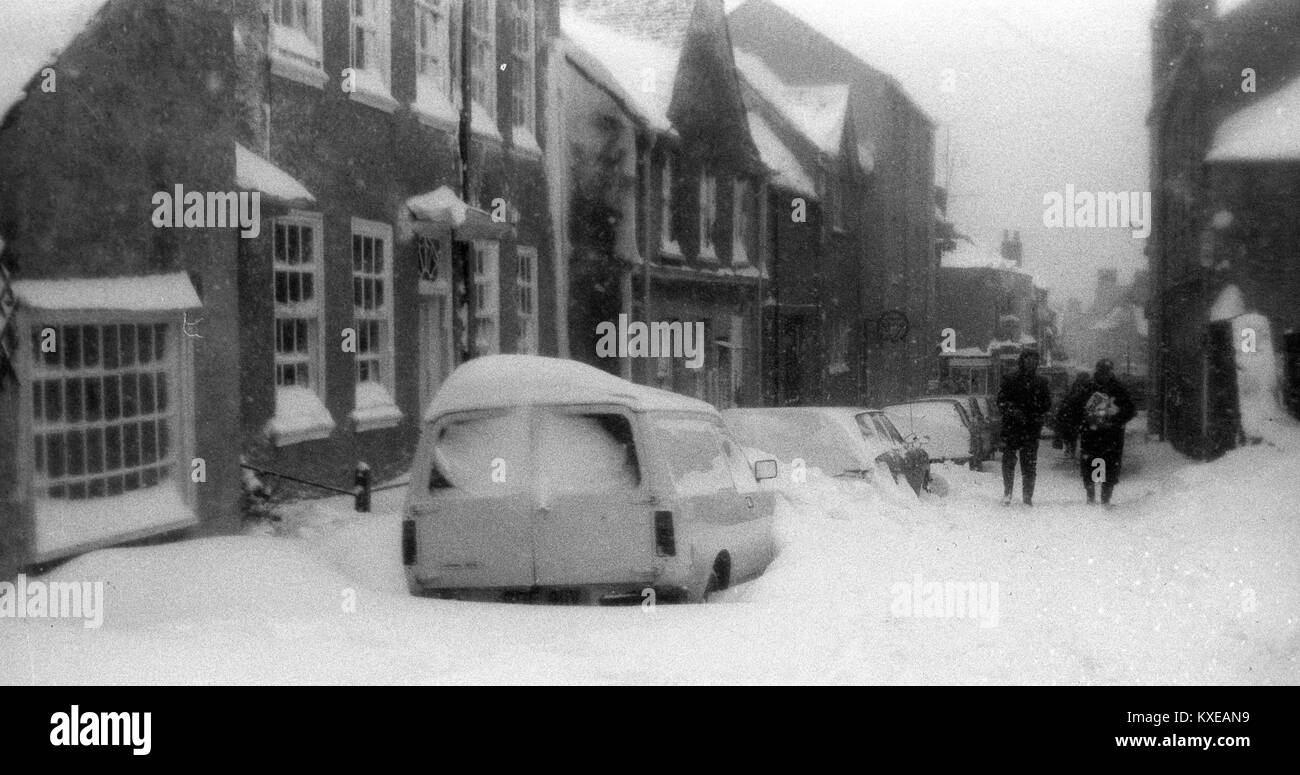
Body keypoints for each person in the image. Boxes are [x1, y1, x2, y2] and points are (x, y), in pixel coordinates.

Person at [1058, 359, 1136, 505]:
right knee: (1093, 464)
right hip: (1092, 435)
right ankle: (1092, 496)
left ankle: (1105, 497)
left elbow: (1129, 410)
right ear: (1097, 372)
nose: (1104, 375)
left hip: (1111, 435)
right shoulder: (1089, 389)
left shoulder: (1118, 389)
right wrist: (1085, 420)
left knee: (1110, 465)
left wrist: (1114, 419)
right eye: (1102, 372)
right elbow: (1074, 408)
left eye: (1107, 372)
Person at [996, 350, 1052, 506]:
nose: (1031, 362)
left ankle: (1027, 497)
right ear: (1022, 361)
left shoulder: (1041, 382)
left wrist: (1036, 413)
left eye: (1034, 359)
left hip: (1030, 429)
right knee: (1009, 463)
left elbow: (1047, 404)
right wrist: (1013, 411)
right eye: (1028, 359)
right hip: (1012, 427)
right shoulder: (1010, 379)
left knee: (1029, 465)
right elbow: (1001, 402)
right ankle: (1008, 493)